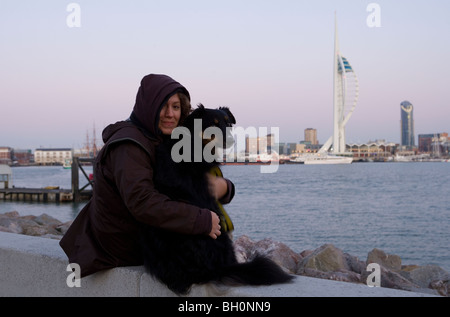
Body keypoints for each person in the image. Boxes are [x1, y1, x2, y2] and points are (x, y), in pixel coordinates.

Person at [59, 74, 235, 277]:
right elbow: (143, 202)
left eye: (176, 107)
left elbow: (196, 183)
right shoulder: (130, 145)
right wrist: (202, 221)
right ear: (148, 106)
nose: (170, 114)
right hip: (122, 248)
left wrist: (225, 188)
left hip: (141, 237)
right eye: (163, 106)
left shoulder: (160, 139)